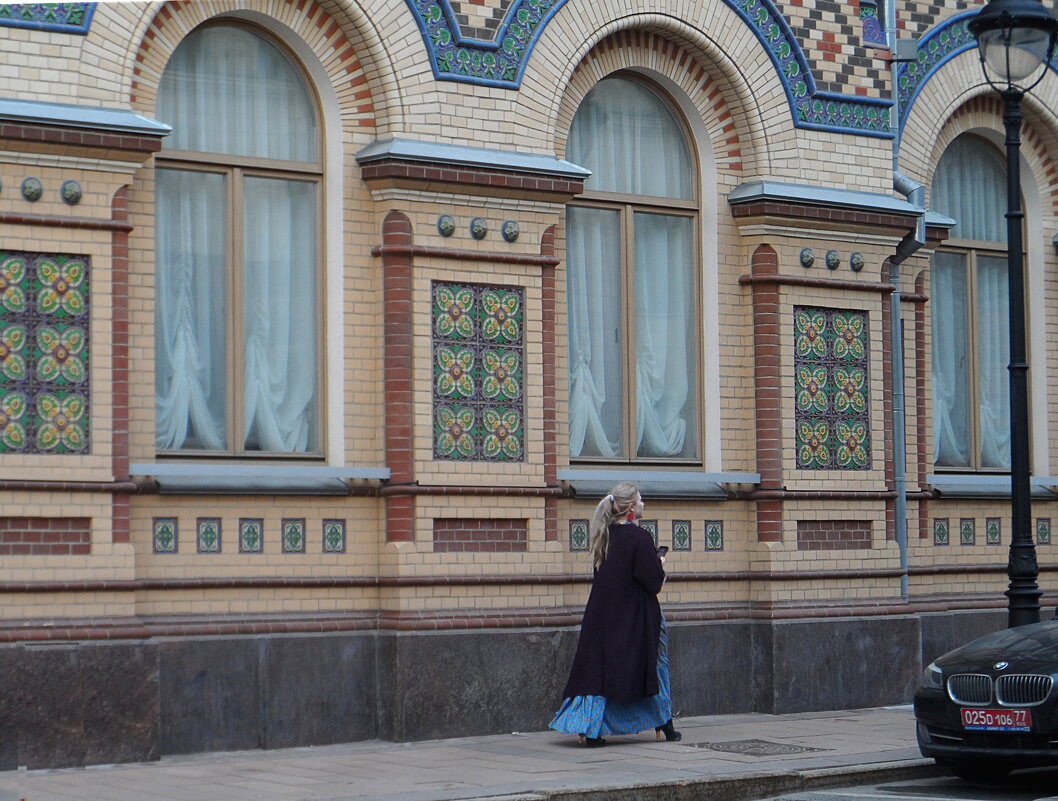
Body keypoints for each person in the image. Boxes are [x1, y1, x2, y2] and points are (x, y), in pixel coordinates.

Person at [550, 481, 681, 746]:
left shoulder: (604, 536)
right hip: (638, 618)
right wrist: (659, 563)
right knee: (653, 667)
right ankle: (664, 722)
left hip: (603, 617)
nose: (644, 504)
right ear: (631, 508)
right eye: (640, 500)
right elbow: (653, 582)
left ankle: (591, 728)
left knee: (601, 672)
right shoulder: (640, 538)